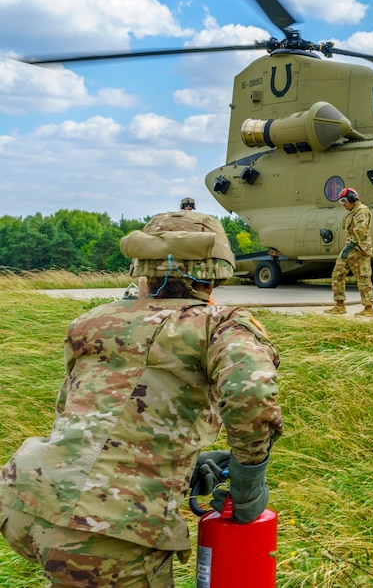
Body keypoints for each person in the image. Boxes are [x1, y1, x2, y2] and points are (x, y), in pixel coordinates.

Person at [0, 210, 282, 588]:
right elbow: (251, 394)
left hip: (26, 501)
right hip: (111, 528)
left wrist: (183, 460)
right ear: (219, 269)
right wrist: (249, 482)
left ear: (141, 266)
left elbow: (87, 419)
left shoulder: (93, 321)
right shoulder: (219, 326)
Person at [325, 187, 373, 317]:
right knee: (337, 273)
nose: (343, 205)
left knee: (363, 277)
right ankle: (339, 305)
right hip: (350, 249)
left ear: (352, 199)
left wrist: (352, 247)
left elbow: (360, 231)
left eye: (344, 201)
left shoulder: (361, 211)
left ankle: (368, 308)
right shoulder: (352, 212)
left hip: (360, 250)